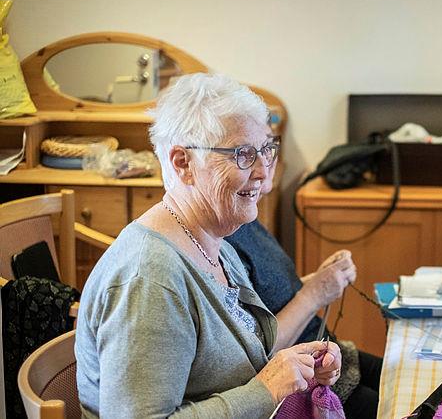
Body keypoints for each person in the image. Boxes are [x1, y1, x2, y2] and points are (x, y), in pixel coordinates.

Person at [75, 73, 342, 418]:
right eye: (243, 154)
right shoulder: (150, 280)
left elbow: (242, 357)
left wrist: (298, 365)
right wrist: (266, 390)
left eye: (266, 150)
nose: (263, 172)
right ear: (183, 163)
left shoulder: (212, 243)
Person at [226, 220, 382, 418]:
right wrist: (314, 293)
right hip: (303, 384)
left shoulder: (247, 221)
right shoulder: (224, 241)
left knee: (404, 379)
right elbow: (255, 351)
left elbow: (271, 298)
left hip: (325, 355)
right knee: (390, 407)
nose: (264, 187)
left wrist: (320, 280)